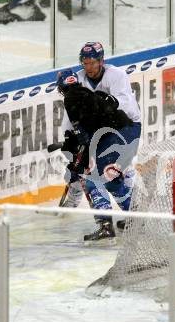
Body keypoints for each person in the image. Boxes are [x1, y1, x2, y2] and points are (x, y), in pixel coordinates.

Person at [61, 41, 142, 237]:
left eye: (92, 63)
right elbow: (71, 116)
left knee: (95, 175)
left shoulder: (117, 75)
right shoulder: (78, 79)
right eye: (85, 63)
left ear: (101, 61)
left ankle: (106, 225)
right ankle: (136, 216)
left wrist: (112, 102)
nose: (88, 67)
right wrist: (71, 142)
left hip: (126, 128)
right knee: (108, 177)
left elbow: (129, 108)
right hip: (101, 133)